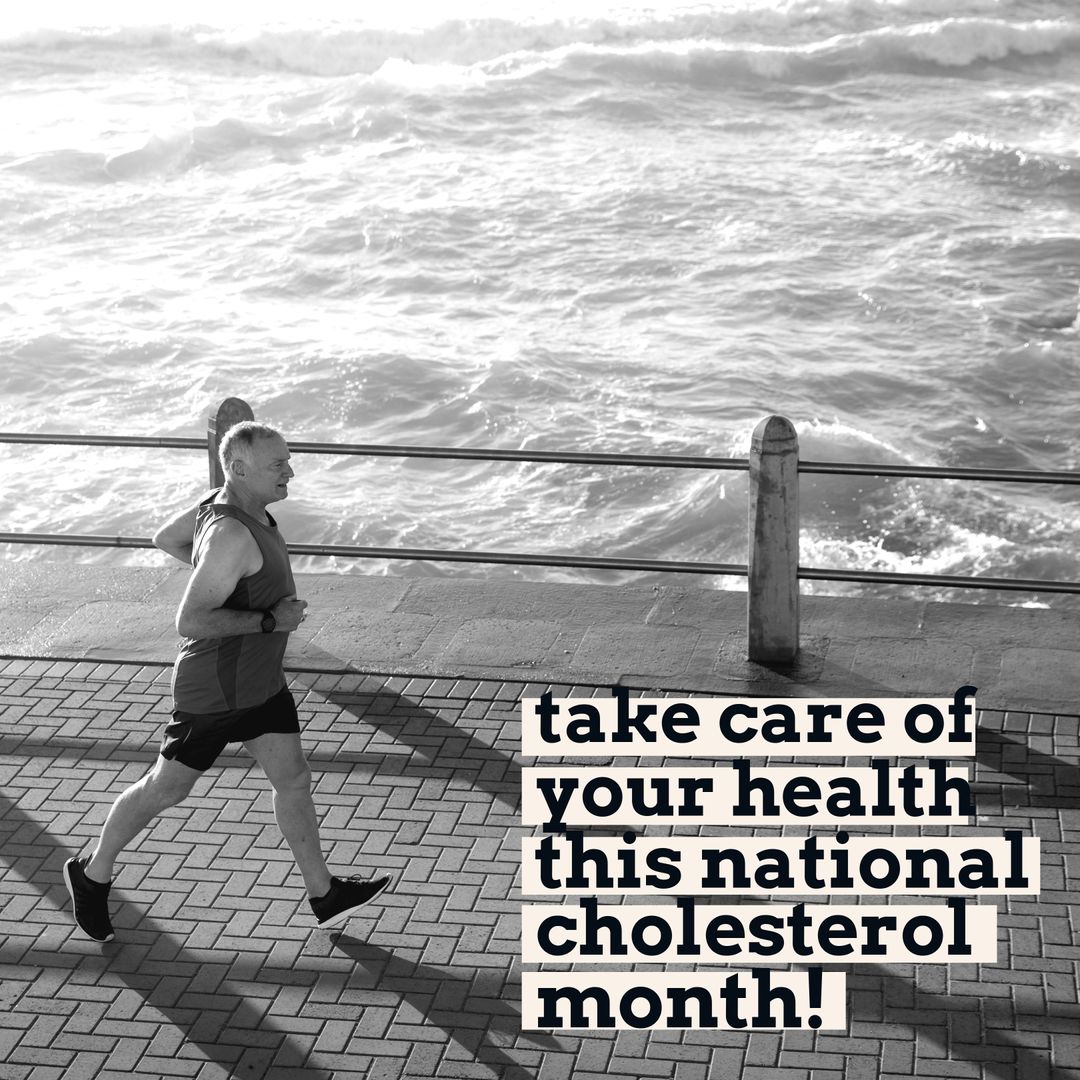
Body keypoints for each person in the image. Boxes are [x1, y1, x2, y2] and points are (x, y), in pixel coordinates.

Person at [64, 421, 389, 941]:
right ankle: (91, 872)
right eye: (277, 463)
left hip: (260, 685)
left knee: (294, 780)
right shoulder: (232, 534)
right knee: (165, 790)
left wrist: (229, 585)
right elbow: (189, 621)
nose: (290, 469)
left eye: (288, 458)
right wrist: (266, 619)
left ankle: (325, 894)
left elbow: (166, 537)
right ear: (239, 469)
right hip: (214, 692)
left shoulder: (235, 507)